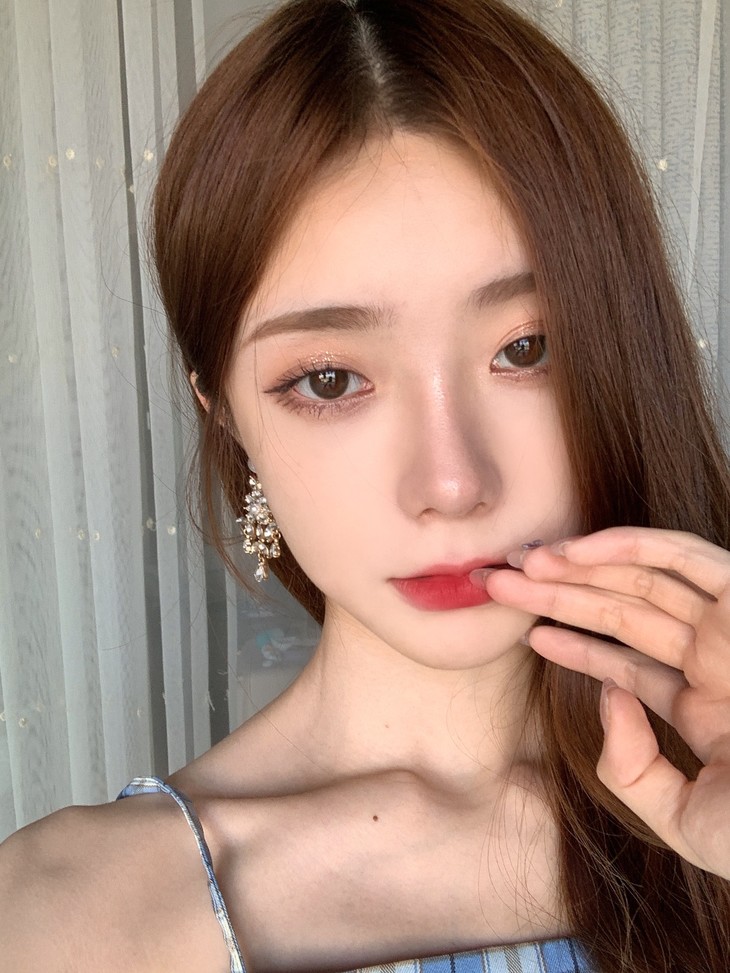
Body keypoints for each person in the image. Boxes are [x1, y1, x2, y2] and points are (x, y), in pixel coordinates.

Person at [2, 0, 729, 970]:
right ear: (224, 411)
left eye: (525, 349)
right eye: (330, 379)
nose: (452, 483)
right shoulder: (71, 918)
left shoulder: (703, 799)